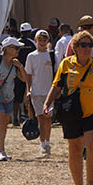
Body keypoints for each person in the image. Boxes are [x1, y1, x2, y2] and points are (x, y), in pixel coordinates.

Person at [45, 31, 93, 185]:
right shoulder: (66, 64)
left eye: (89, 45)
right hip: (71, 111)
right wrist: (47, 103)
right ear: (75, 47)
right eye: (83, 45)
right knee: (75, 147)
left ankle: (91, 184)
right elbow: (56, 85)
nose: (87, 48)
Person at [0, 37, 29, 161]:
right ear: (7, 49)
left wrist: (20, 67)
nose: (18, 50)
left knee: (4, 124)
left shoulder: (14, 64)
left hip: (8, 98)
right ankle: (1, 151)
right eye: (16, 48)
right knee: (1, 122)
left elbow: (24, 79)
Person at [26, 30, 57, 158]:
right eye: (40, 40)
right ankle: (43, 145)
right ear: (35, 41)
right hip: (37, 92)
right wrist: (28, 89)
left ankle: (47, 143)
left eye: (45, 40)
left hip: (49, 92)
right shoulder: (31, 56)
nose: (42, 43)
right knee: (40, 118)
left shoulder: (51, 55)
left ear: (47, 41)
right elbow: (28, 74)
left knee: (48, 119)